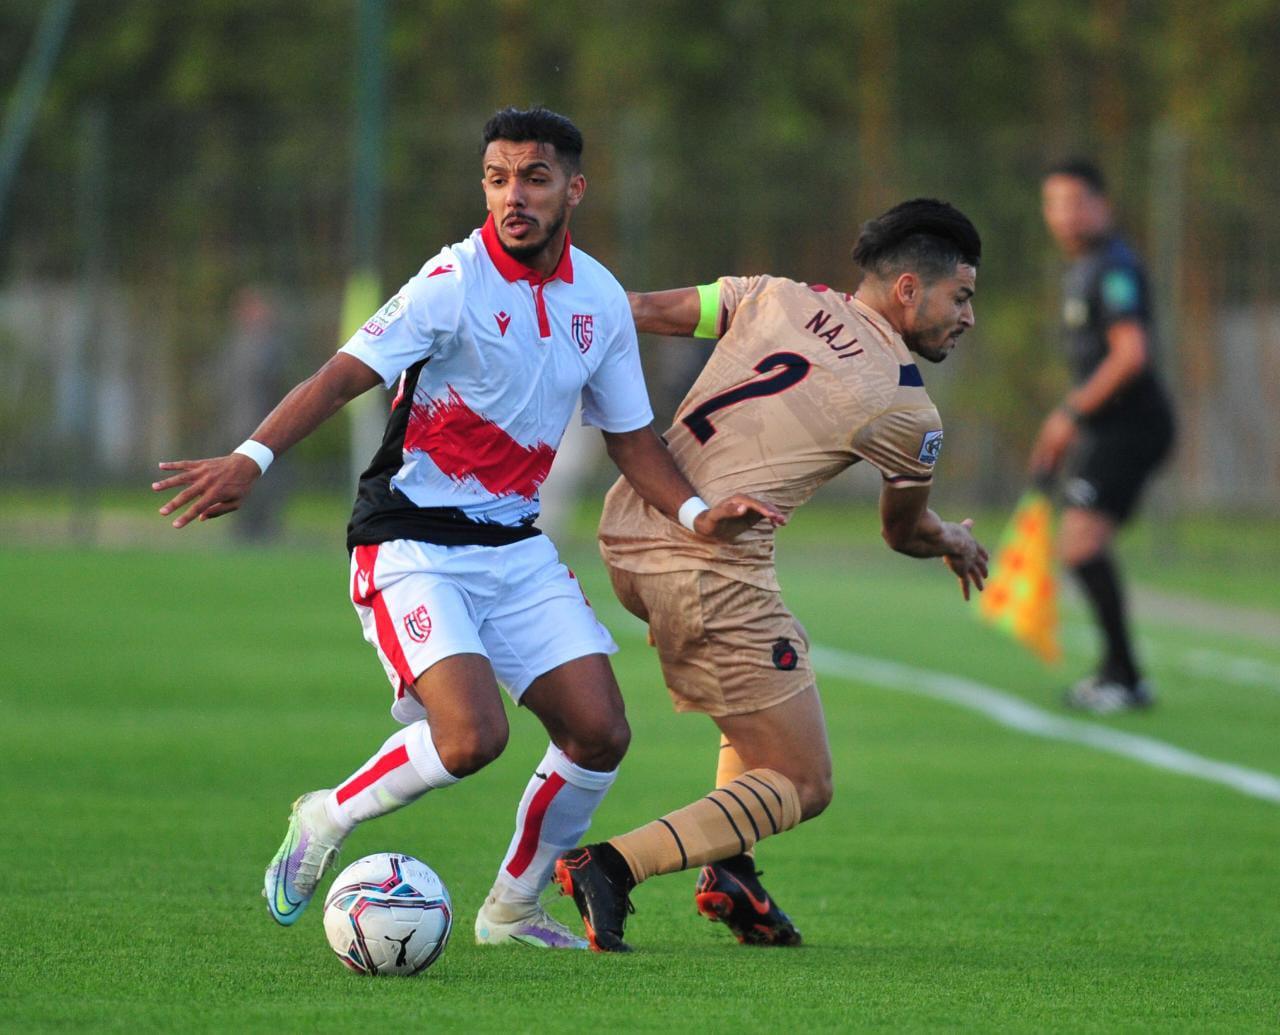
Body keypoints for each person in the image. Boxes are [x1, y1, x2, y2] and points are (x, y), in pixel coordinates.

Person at [151, 106, 780, 950]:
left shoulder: (598, 297)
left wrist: (700, 514)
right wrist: (250, 459)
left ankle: (512, 908)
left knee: (600, 731)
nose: (512, 196)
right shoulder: (450, 282)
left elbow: (632, 439)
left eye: (534, 178)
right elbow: (340, 376)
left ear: (574, 189)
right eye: (496, 178)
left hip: (513, 545)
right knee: (471, 735)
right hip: (409, 541)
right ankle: (326, 815)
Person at [553, 198, 990, 952]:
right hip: (707, 568)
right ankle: (614, 865)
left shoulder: (774, 294)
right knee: (804, 780)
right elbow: (902, 531)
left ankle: (731, 871)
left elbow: (635, 309)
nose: (969, 317)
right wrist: (952, 539)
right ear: (909, 289)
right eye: (962, 297)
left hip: (634, 526)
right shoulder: (906, 406)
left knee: (774, 676)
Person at [1032, 159, 1176, 714]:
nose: (1064, 216)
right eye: (1054, 204)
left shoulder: (1115, 267)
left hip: (1133, 425)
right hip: (1109, 427)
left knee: (1081, 542)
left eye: (1075, 202)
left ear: (1102, 206)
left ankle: (1124, 677)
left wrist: (1070, 414)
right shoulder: (1085, 268)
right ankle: (1123, 674)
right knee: (1078, 542)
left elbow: (1130, 355)